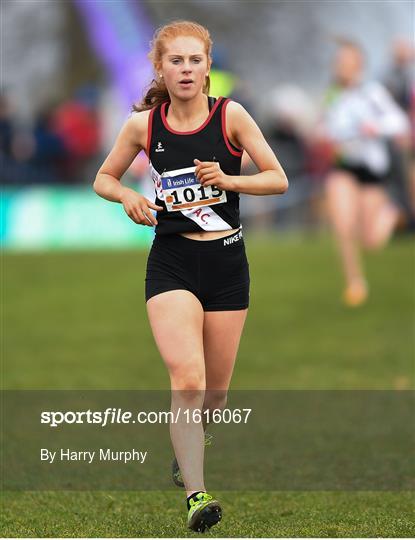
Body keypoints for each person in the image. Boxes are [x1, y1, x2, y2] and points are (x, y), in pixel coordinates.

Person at [93, 20, 288, 532]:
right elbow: (103, 177)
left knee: (216, 396)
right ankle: (197, 496)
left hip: (227, 264)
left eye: (194, 61)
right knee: (189, 380)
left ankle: (188, 447)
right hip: (172, 262)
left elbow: (278, 178)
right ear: (161, 67)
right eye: (175, 61)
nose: (185, 70)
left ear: (207, 67)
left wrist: (228, 178)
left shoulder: (231, 116)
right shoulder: (143, 126)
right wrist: (129, 196)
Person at [321, 40, 410, 307]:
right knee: (342, 224)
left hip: (371, 171)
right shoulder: (333, 95)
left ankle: (393, 214)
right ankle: (355, 283)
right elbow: (327, 128)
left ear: (358, 65)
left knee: (370, 239)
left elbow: (399, 122)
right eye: (339, 61)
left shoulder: (371, 92)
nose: (341, 67)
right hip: (343, 169)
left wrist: (376, 127)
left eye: (347, 62)